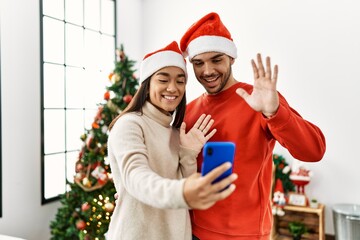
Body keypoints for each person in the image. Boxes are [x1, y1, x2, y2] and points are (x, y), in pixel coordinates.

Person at [179, 12, 326, 240]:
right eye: (198, 63)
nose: (207, 71)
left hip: (245, 234)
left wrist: (274, 113)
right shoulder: (188, 111)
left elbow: (314, 150)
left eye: (216, 59)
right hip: (192, 230)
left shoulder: (259, 100)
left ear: (231, 58)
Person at [106, 41, 238, 240]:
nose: (172, 88)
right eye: (163, 79)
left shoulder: (176, 132)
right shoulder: (129, 124)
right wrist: (183, 191)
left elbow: (184, 185)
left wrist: (188, 153)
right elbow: (136, 177)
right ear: (147, 84)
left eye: (180, 80)